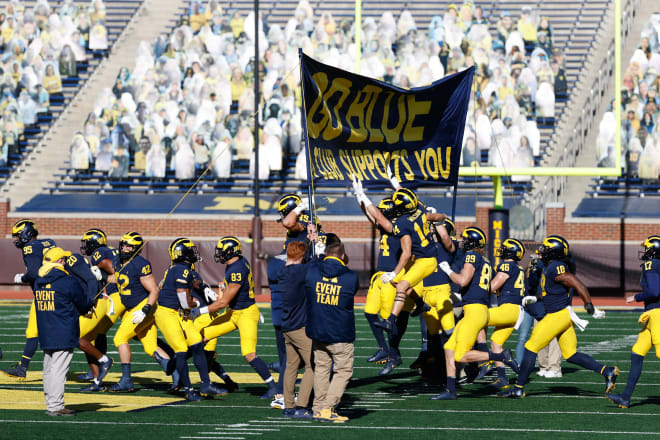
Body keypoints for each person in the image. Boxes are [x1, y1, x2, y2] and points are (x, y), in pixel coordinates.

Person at [499, 236, 618, 398]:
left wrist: (588, 304)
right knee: (570, 354)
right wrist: (537, 298)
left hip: (557, 315)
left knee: (531, 346)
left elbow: (576, 282)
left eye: (546, 248)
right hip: (562, 314)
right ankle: (607, 371)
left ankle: (519, 387)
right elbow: (551, 291)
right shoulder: (549, 266)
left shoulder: (556, 266)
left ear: (553, 252)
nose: (542, 250)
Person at [433, 227, 518, 400]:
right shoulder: (485, 260)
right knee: (449, 348)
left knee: (460, 354)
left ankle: (501, 356)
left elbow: (463, 280)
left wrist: (448, 270)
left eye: (465, 239)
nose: (462, 241)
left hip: (475, 311)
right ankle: (450, 390)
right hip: (475, 309)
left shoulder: (472, 256)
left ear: (472, 241)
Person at [351, 179, 446, 334]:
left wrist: (362, 195)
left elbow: (406, 252)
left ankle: (390, 321)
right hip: (423, 259)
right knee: (400, 284)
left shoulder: (401, 224)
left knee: (401, 285)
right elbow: (435, 217)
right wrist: (442, 217)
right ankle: (419, 303)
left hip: (423, 261)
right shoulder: (420, 211)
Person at [193, 236, 278, 399]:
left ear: (231, 251)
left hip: (245, 314)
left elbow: (223, 302)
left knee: (249, 353)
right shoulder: (236, 262)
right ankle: (213, 380)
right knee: (201, 335)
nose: (219, 254)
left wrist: (199, 311)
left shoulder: (237, 269)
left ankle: (273, 387)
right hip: (234, 313)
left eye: (222, 251)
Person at [154, 238, 227, 401]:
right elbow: (184, 301)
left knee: (196, 344)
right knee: (180, 349)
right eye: (191, 250)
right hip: (168, 313)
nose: (194, 253)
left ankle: (206, 384)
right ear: (183, 253)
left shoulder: (182, 269)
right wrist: (196, 304)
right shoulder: (180, 269)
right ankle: (188, 389)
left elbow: (194, 280)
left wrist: (205, 288)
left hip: (180, 311)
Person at [107, 232, 175, 392]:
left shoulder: (140, 263)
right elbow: (120, 278)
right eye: (123, 244)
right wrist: (103, 277)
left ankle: (126, 380)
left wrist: (145, 310)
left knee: (119, 338)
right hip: (134, 308)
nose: (125, 248)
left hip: (143, 307)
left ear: (136, 249)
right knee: (150, 346)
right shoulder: (118, 260)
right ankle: (178, 375)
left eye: (129, 246)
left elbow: (153, 291)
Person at [305, 231, 358, 423]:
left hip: (317, 331)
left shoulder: (313, 270)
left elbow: (313, 267)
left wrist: (317, 254)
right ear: (343, 256)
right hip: (340, 333)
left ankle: (318, 408)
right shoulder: (350, 276)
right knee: (343, 371)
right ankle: (328, 407)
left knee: (321, 369)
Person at [35, 247, 93, 416]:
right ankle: (55, 406)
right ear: (60, 261)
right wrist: (91, 298)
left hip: (46, 330)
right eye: (64, 260)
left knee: (48, 369)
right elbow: (83, 304)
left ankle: (50, 402)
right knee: (58, 370)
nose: (67, 262)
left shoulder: (39, 280)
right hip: (64, 329)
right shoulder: (68, 281)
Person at [607, 235, 660, 408]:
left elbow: (654, 291)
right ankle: (625, 397)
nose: (644, 251)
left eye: (646, 248)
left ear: (653, 250)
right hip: (652, 315)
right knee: (637, 352)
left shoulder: (651, 264)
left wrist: (635, 297)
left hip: (657, 314)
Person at [1, 220, 55, 380]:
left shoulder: (30, 247)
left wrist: (22, 277)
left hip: (46, 293)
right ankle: (22, 368)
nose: (17, 239)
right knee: (34, 331)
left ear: (27, 233)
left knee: (59, 333)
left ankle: (100, 360)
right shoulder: (48, 242)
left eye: (18, 235)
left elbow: (33, 273)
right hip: (49, 292)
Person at [478, 238, 527, 388]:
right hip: (515, 311)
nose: (501, 250)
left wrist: (474, 288)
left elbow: (493, 286)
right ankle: (502, 378)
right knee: (496, 343)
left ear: (509, 251)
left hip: (508, 309)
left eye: (504, 248)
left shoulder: (506, 265)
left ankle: (485, 362)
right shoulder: (518, 268)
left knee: (475, 319)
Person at [279, 241, 314, 419]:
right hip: (299, 327)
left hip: (287, 326)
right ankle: (301, 405)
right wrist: (316, 245)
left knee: (291, 367)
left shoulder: (284, 271)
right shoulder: (300, 271)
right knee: (313, 365)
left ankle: (288, 405)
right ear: (301, 256)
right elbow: (317, 266)